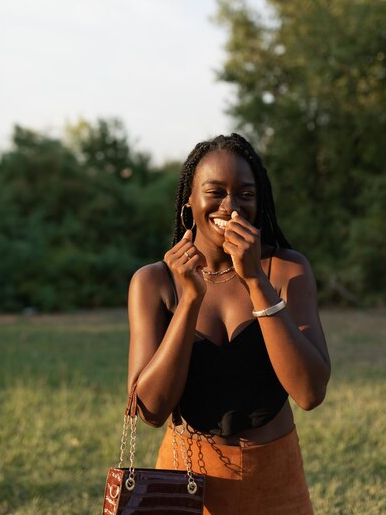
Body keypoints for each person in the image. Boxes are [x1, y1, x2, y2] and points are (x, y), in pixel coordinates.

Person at [127, 133, 330, 515]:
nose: (231, 207)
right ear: (189, 199)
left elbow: (309, 392)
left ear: (260, 200)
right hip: (185, 477)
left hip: (273, 479)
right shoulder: (154, 282)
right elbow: (151, 411)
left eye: (246, 194)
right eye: (215, 192)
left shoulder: (286, 269)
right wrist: (189, 301)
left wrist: (255, 280)